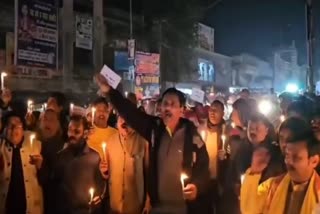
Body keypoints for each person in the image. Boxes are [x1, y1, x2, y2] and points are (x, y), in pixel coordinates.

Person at [95, 74, 209, 213]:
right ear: (160, 108)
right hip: (158, 208)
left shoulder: (192, 137)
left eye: (173, 104)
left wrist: (197, 186)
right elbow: (131, 114)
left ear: (182, 110)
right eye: (165, 104)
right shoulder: (155, 129)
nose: (167, 108)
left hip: (183, 208)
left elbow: (204, 168)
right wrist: (110, 92)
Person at [257, 128, 320, 214]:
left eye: (296, 157)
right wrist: (254, 173)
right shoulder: (271, 186)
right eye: (287, 155)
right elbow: (249, 208)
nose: (288, 161)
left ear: (314, 161)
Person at [51, 116, 105, 214]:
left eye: (76, 131)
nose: (71, 134)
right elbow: (54, 187)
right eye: (69, 130)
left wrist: (98, 200)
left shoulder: (95, 157)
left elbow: (100, 188)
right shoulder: (61, 157)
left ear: (85, 134)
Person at [100, 115, 151, 213]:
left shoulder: (143, 141)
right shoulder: (110, 142)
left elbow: (148, 173)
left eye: (127, 117)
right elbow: (107, 173)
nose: (124, 121)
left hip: (135, 205)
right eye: (121, 118)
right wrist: (104, 171)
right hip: (115, 205)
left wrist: (148, 201)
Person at [0, 111, 43, 214]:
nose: (14, 128)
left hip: (31, 208)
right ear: (5, 130)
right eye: (10, 125)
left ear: (23, 129)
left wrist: (41, 166)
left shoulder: (36, 146)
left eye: (18, 125)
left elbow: (47, 179)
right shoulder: (1, 149)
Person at [37, 109, 65, 214]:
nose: (47, 122)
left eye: (52, 120)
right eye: (45, 119)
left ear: (58, 125)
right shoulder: (32, 144)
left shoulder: (63, 148)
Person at [203, 100, 227, 213]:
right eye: (211, 110)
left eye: (216, 110)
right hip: (204, 179)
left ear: (223, 113)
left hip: (220, 180)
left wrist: (226, 156)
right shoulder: (201, 129)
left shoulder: (227, 132)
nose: (212, 113)